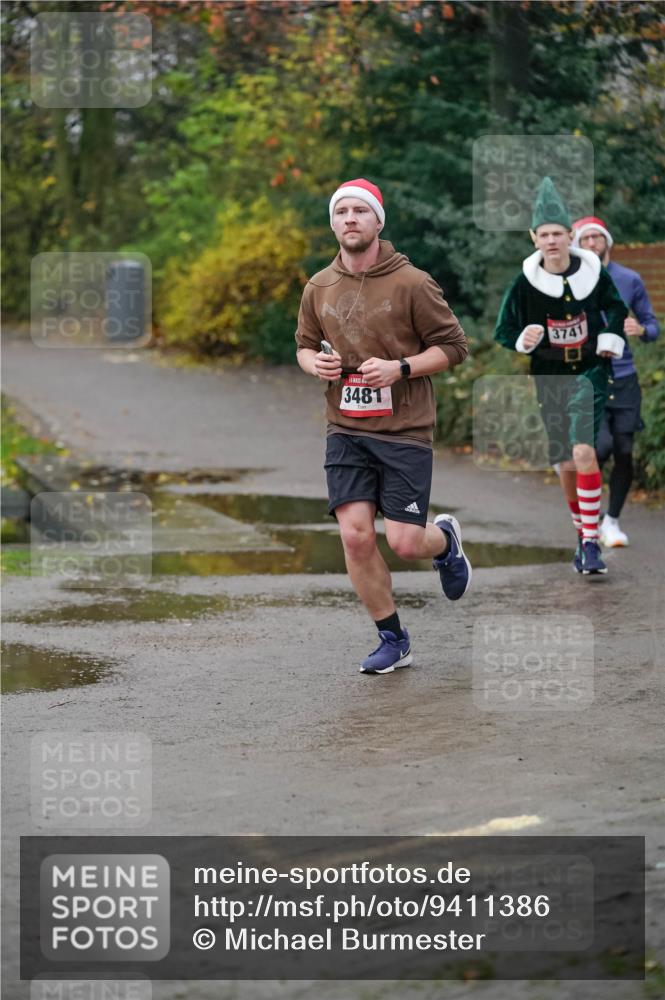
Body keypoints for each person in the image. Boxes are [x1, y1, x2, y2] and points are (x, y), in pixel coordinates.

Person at [295, 178, 471, 674]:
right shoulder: (319, 287)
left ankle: (445, 540)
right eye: (341, 211)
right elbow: (304, 346)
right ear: (332, 223)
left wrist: (401, 369)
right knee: (354, 536)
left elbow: (455, 347)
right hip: (345, 427)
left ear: (378, 222)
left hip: (405, 429)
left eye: (360, 211)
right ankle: (392, 638)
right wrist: (316, 366)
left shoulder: (412, 283)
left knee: (406, 543)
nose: (350, 218)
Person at [494, 177, 628, 577]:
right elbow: (503, 331)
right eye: (544, 234)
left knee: (584, 451)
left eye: (558, 234)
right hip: (550, 375)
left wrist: (609, 337)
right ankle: (581, 534)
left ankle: (590, 543)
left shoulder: (592, 273)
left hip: (590, 372)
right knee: (566, 463)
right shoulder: (525, 283)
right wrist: (525, 337)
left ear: (571, 236)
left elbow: (617, 309)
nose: (552, 241)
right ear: (534, 238)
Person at [572, 216, 660, 547]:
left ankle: (611, 521)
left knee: (624, 451)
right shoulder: (570, 283)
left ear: (607, 242)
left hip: (624, 378)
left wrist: (642, 330)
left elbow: (653, 326)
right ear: (578, 245)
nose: (592, 243)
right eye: (586, 238)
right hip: (587, 379)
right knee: (601, 447)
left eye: (597, 237)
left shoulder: (630, 279)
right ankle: (589, 516)